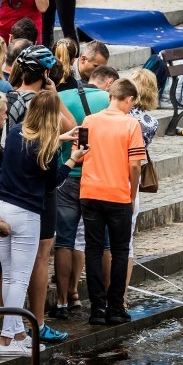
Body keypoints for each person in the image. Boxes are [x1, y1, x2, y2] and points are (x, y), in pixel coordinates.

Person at [0, 92, 84, 356]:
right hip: (27, 214)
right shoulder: (45, 147)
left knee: (7, 274)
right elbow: (54, 182)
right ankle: (6, 339)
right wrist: (73, 158)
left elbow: (33, 142)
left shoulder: (15, 132)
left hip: (4, 208)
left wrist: (59, 139)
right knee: (20, 279)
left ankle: (17, 333)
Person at [52, 65, 118, 322]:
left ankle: (62, 301)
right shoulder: (108, 101)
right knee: (104, 243)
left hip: (68, 175)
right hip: (98, 178)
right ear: (105, 83)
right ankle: (103, 304)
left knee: (65, 241)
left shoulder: (61, 98)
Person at [78, 79, 144, 326]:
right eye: (131, 103)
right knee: (119, 251)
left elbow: (80, 153)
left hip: (90, 192)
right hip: (118, 194)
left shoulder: (89, 121)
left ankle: (96, 309)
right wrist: (132, 191)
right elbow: (135, 164)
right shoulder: (131, 124)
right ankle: (116, 307)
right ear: (128, 99)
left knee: (93, 249)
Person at [125, 69, 159, 304]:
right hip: (131, 182)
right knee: (126, 243)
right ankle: (122, 294)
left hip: (110, 176)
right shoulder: (151, 122)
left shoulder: (122, 117)